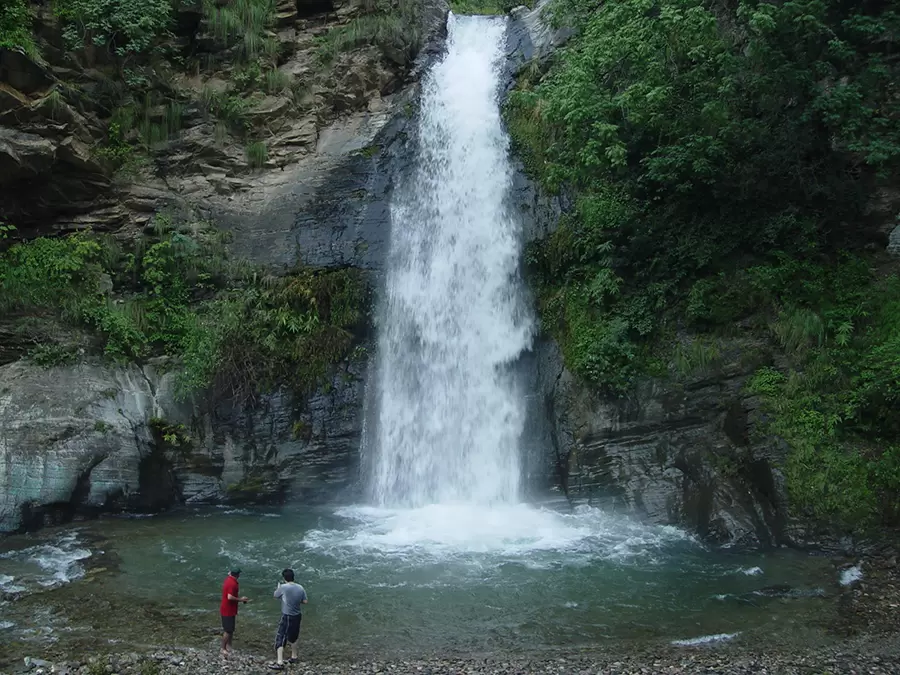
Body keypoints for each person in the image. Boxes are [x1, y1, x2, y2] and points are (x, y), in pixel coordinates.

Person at [268, 568, 307, 670]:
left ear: (284, 578)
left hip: (287, 615)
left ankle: (280, 662)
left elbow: (275, 596)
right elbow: (305, 601)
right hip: (297, 615)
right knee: (294, 636)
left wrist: (278, 588)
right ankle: (294, 657)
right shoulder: (300, 587)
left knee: (281, 637)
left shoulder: (283, 587)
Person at [220, 568, 250, 657]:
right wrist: (241, 599)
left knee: (231, 629)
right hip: (227, 610)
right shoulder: (232, 583)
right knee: (228, 630)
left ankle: (229, 646)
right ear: (237, 575)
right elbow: (229, 597)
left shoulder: (229, 579)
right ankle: (223, 648)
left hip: (229, 609)